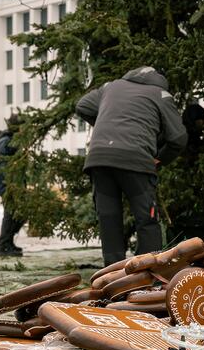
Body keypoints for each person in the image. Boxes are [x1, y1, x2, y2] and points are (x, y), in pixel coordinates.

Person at [76, 66, 188, 266]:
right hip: (136, 160)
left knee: (108, 218)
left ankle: (112, 275)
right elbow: (178, 138)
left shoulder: (111, 86)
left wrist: (106, 124)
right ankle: (148, 273)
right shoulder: (160, 94)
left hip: (99, 158)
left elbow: (83, 106)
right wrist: (160, 159)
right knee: (147, 219)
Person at [0, 114, 25, 257]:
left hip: (14, 185)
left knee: (17, 215)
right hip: (8, 186)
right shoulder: (5, 142)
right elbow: (4, 168)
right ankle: (4, 246)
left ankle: (8, 243)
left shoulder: (12, 142)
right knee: (10, 216)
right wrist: (10, 186)